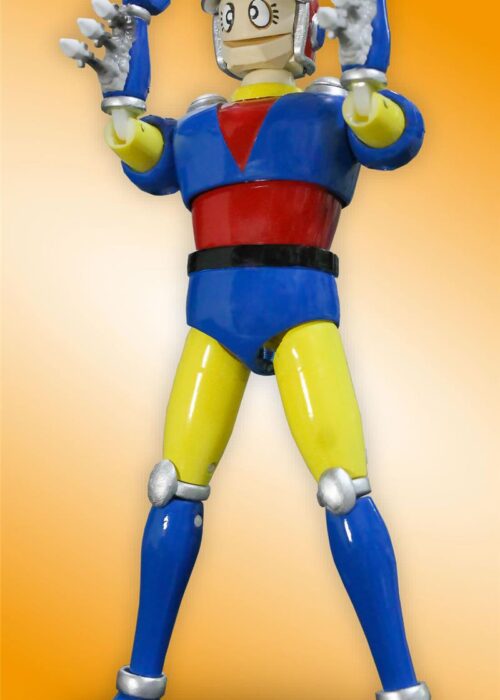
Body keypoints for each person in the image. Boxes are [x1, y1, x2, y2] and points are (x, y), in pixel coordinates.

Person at [60, 1, 429, 698]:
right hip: (214, 316)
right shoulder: (199, 125)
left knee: (344, 488)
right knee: (171, 484)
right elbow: (146, 153)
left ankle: (401, 684)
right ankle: (140, 675)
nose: (245, 20)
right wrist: (120, 99)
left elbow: (388, 133)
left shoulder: (326, 113)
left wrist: (363, 75)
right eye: (229, 9)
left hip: (300, 308)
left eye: (263, 7)